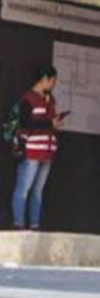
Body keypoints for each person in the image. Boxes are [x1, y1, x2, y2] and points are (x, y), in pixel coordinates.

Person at [11, 66, 62, 230]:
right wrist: (49, 123)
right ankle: (19, 224)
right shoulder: (28, 98)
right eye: (53, 81)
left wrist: (55, 123)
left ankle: (34, 225)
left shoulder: (50, 99)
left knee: (38, 191)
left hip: (46, 152)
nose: (54, 85)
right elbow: (26, 122)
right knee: (23, 188)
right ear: (45, 79)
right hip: (31, 150)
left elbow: (48, 122)